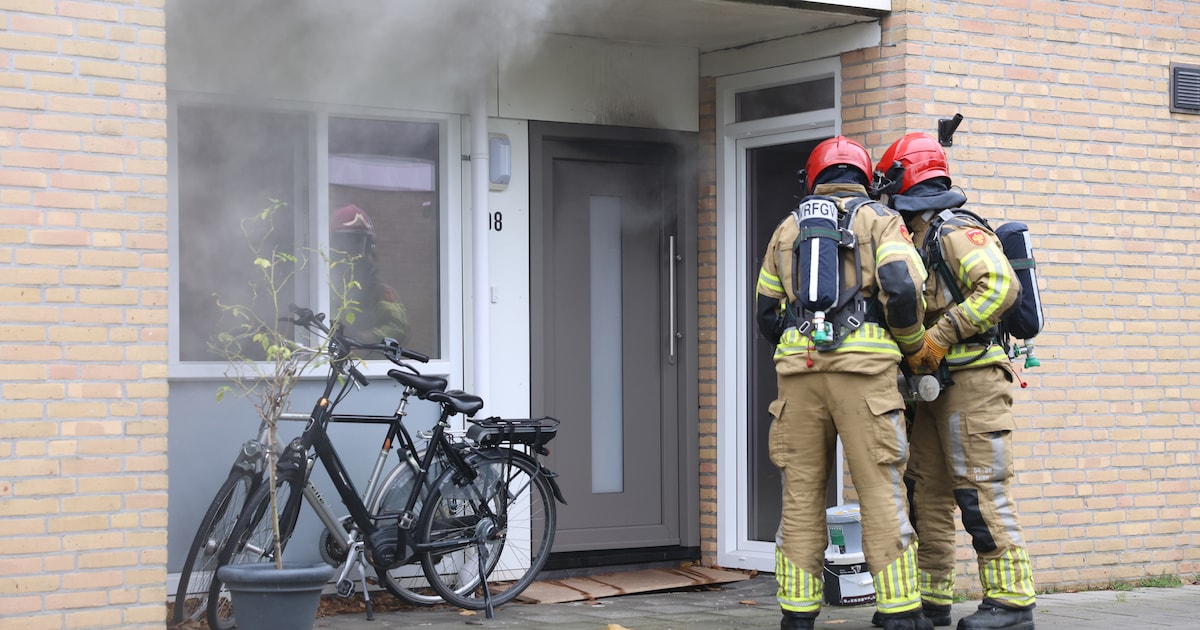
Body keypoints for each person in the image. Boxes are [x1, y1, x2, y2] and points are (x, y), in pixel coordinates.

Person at [755, 136, 932, 630]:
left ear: (812, 178)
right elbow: (902, 287)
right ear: (865, 178)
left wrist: (800, 346)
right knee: (879, 489)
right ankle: (899, 612)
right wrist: (911, 343)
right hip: (866, 378)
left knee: (801, 495)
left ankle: (797, 614)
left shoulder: (788, 228)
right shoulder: (880, 219)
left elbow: (766, 312)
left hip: (799, 377)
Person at [873, 132, 1036, 630]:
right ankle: (931, 598)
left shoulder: (954, 231)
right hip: (935, 385)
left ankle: (1012, 603)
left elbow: (1002, 286)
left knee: (981, 490)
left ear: (904, 179)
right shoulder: (917, 234)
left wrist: (940, 336)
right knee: (928, 491)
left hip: (974, 382)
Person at [329, 204, 411, 344]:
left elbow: (398, 327)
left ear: (368, 246)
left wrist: (363, 339)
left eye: (359, 242)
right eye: (347, 241)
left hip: (368, 364)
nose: (353, 248)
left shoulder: (377, 290)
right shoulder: (320, 286)